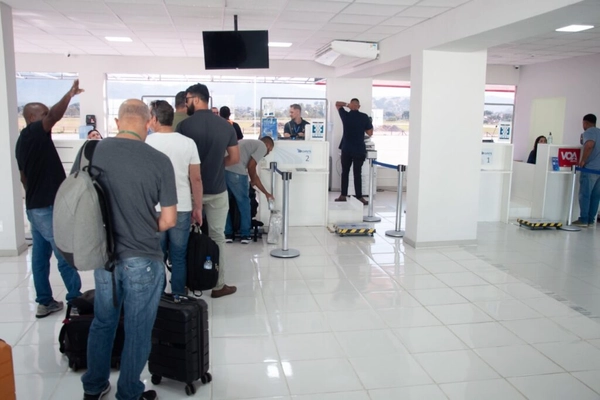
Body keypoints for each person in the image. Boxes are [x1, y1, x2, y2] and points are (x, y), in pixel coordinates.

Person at [80, 99, 177, 400]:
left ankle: (94, 386)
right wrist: (144, 224)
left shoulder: (92, 151)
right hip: (143, 258)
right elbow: (169, 219)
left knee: (103, 321)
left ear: (118, 121)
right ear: (149, 121)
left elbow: (78, 200)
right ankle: (129, 392)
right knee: (137, 328)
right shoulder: (159, 160)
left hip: (104, 256)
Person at [15, 80, 83, 318]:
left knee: (40, 255)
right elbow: (54, 115)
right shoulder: (33, 134)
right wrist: (70, 94)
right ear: (32, 118)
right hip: (45, 207)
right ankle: (75, 300)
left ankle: (45, 301)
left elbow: (24, 177)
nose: (49, 120)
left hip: (36, 206)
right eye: (43, 115)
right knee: (64, 251)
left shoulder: (26, 141)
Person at [177, 83, 240, 298]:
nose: (186, 104)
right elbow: (235, 158)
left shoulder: (184, 127)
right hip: (217, 189)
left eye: (187, 100)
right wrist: (215, 164)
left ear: (195, 99)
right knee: (217, 237)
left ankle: (183, 284)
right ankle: (218, 285)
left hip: (189, 192)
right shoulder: (226, 126)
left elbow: (180, 158)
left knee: (183, 237)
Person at [146, 100, 203, 295]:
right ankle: (179, 296)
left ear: (154, 119)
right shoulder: (188, 143)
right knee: (179, 256)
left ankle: (159, 297)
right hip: (182, 206)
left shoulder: (146, 143)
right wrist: (198, 207)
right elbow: (196, 179)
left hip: (154, 208)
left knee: (156, 256)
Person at [225, 137, 275, 244]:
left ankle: (227, 234)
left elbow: (251, 171)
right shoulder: (262, 146)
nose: (268, 153)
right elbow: (251, 166)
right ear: (268, 145)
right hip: (237, 172)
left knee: (226, 204)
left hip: (223, 171)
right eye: (270, 150)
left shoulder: (247, 143)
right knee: (244, 204)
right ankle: (245, 235)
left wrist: (254, 182)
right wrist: (265, 192)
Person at [334, 98, 373, 205]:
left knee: (345, 172)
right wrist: (362, 128)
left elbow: (337, 104)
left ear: (351, 105)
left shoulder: (345, 115)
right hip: (359, 149)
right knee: (357, 173)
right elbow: (370, 133)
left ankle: (343, 195)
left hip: (346, 148)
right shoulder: (364, 117)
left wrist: (347, 104)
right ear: (359, 106)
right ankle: (359, 197)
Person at [573, 114, 600, 227]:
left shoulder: (589, 132)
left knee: (585, 194)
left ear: (585, 123)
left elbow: (589, 145)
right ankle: (590, 219)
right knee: (596, 195)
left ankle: (583, 219)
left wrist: (583, 160)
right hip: (599, 170)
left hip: (590, 169)